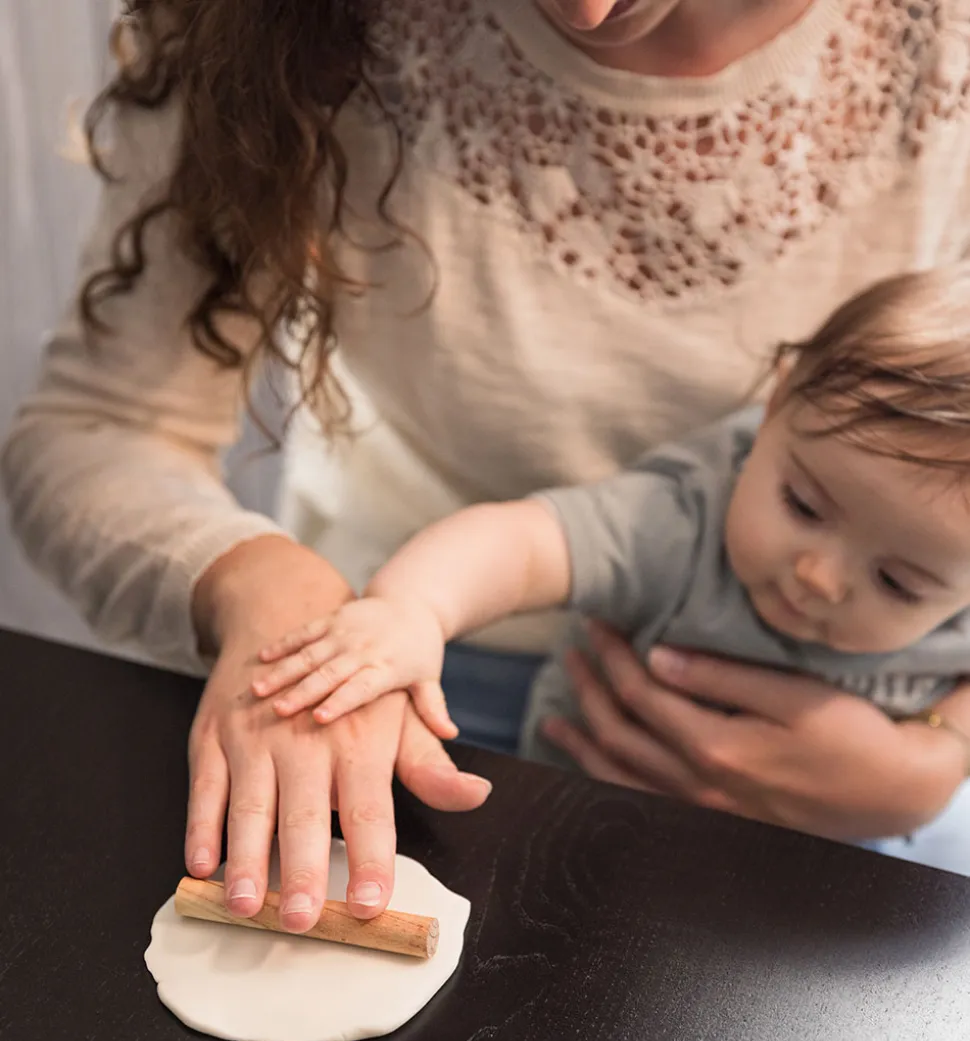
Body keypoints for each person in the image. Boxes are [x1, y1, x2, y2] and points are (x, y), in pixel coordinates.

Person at [4, 0, 970, 940]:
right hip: (416, 683)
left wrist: (940, 755)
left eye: (899, 576)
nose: (588, 14)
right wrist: (279, 596)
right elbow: (101, 423)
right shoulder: (278, 25)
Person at [247, 265, 970, 846]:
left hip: (817, 866)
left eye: (898, 582)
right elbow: (525, 544)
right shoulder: (686, 521)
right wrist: (411, 608)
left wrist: (946, 746)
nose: (819, 574)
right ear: (777, 405)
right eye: (804, 506)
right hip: (580, 829)